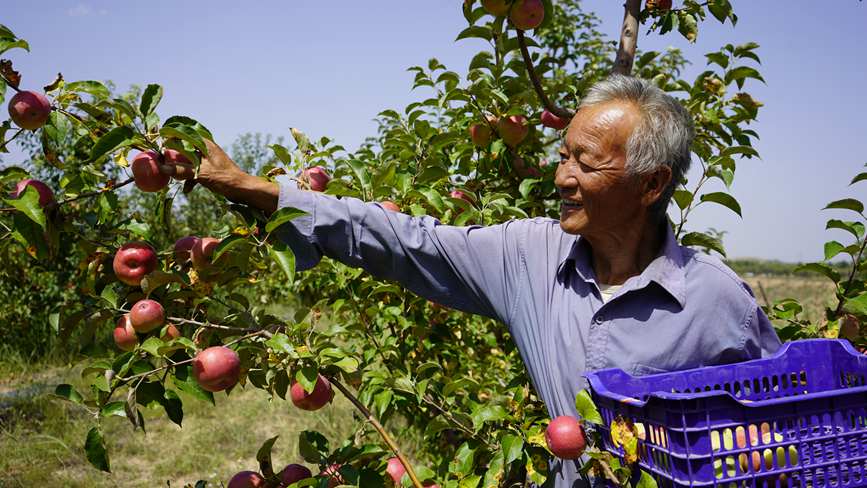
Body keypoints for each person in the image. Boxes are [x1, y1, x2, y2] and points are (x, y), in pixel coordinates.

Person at [162, 75, 781, 487]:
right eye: (563, 154)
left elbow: (784, 431)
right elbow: (409, 242)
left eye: (586, 163)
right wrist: (258, 190)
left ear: (651, 184)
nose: (562, 176)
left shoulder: (715, 298)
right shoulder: (531, 256)